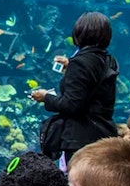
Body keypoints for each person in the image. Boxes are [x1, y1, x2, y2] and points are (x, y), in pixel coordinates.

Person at [31, 11, 119, 163]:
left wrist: (46, 97)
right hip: (105, 133)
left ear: (79, 33)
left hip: (82, 140)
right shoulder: (107, 60)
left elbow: (72, 105)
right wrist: (70, 66)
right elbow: (93, 82)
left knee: (80, 185)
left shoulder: (81, 62)